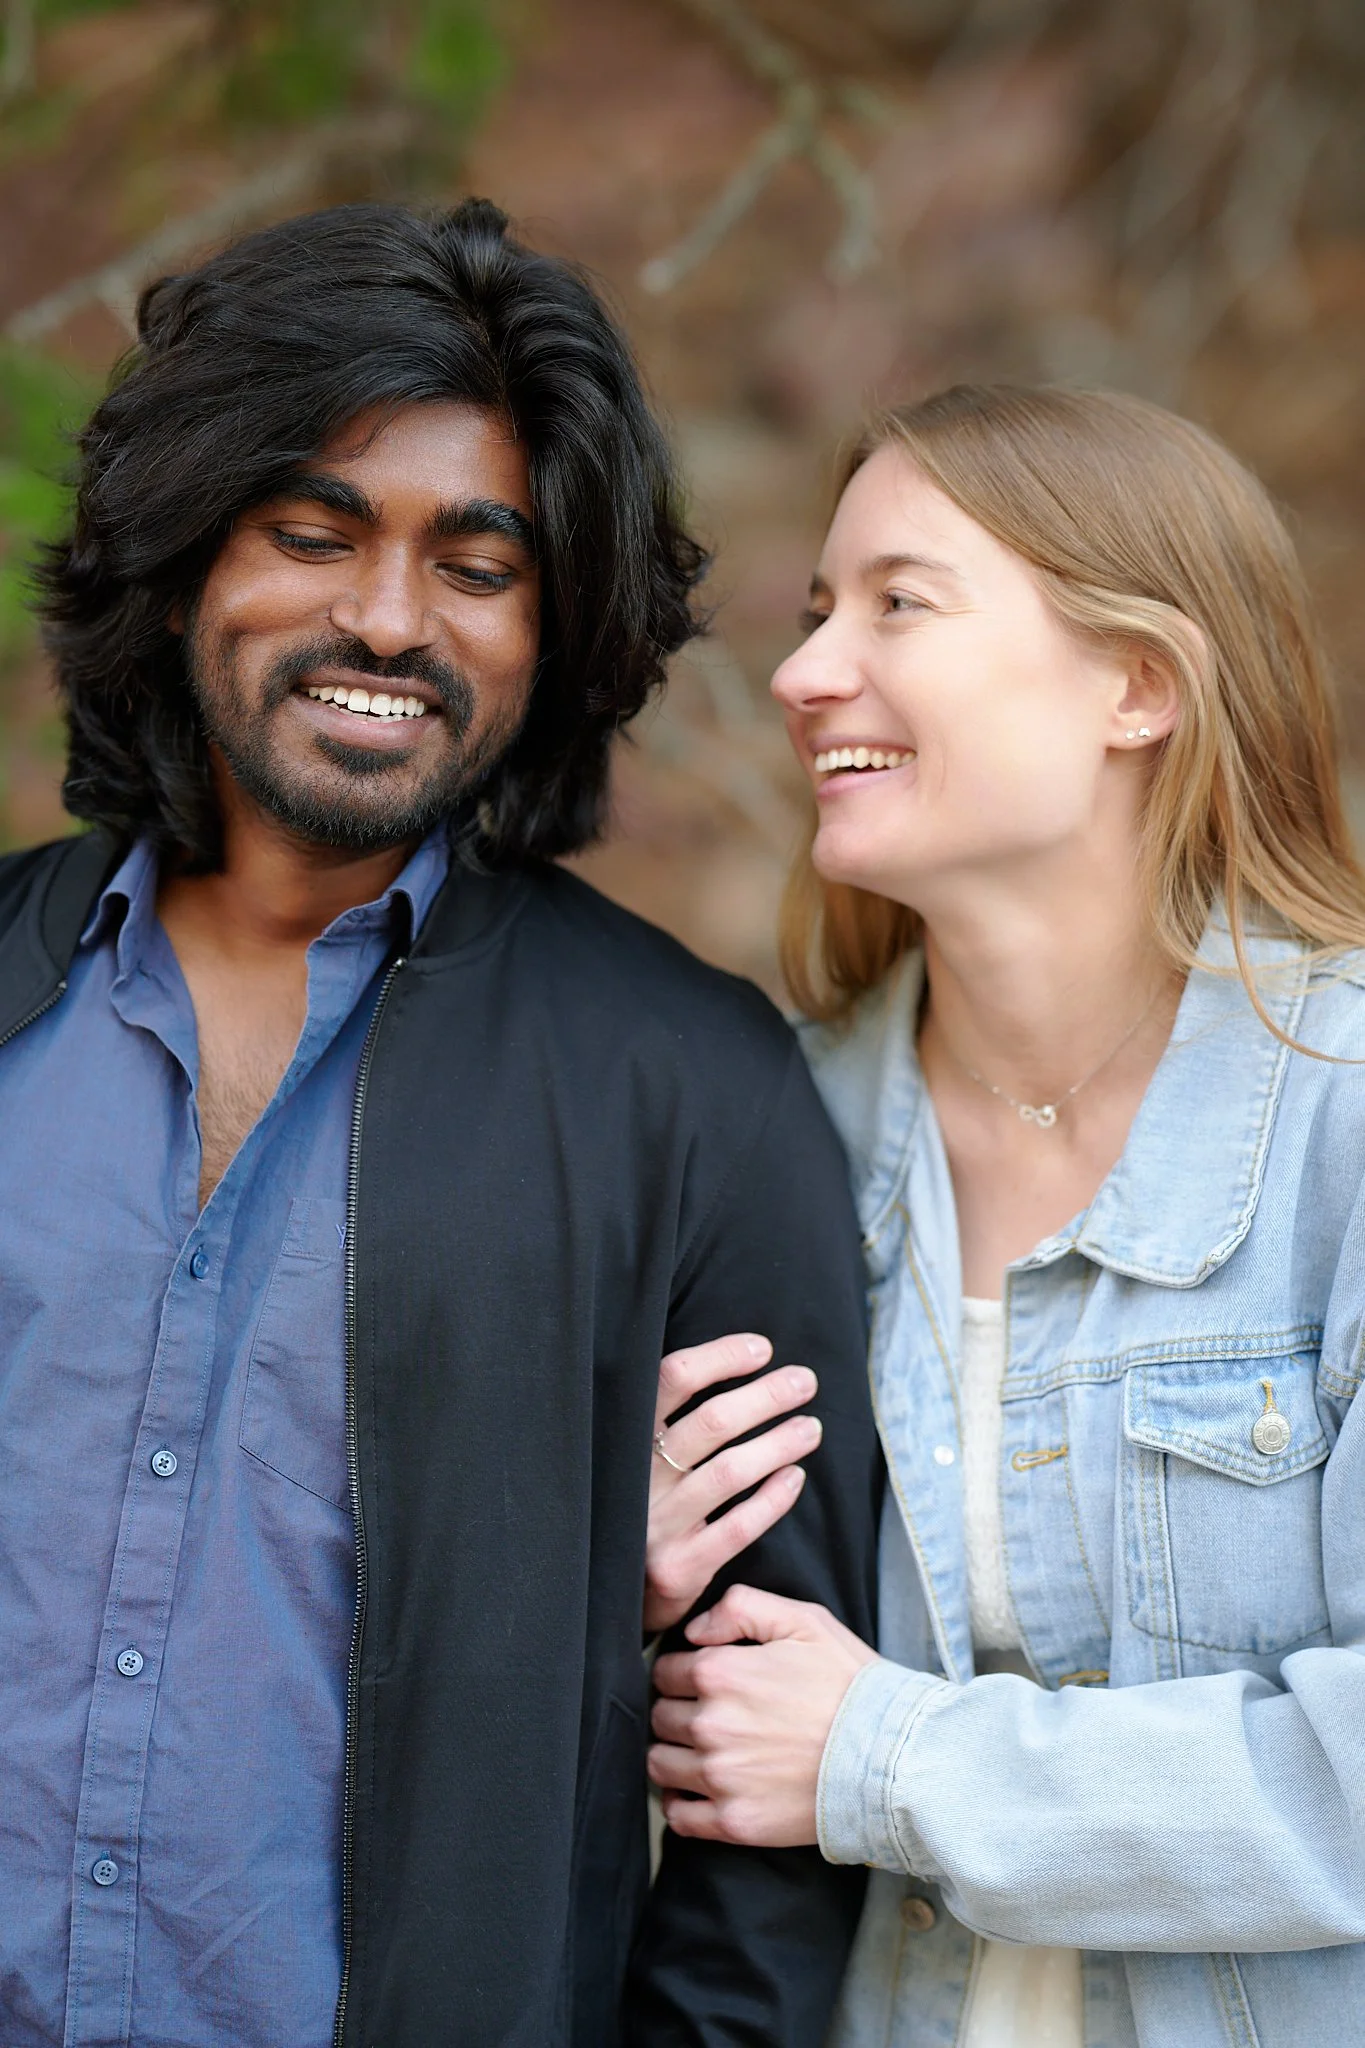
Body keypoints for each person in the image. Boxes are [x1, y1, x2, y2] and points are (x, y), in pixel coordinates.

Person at [0, 198, 883, 2048]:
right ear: (183, 555)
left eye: (477, 566)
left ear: (555, 629)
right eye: (312, 534)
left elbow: (766, 1799)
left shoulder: (692, 1094)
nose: (388, 620)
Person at [644, 384, 1365, 2048]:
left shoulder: (1338, 1132)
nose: (806, 673)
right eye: (818, 611)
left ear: (1140, 685)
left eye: (900, 603)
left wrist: (883, 1758)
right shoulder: (766, 1135)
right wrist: (609, 1584)